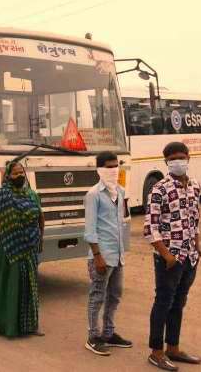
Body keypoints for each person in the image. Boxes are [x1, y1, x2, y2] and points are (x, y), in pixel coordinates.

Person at [144, 142, 201, 371]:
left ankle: (173, 348)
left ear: (188, 157)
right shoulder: (159, 189)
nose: (178, 161)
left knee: (179, 302)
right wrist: (167, 255)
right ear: (166, 162)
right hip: (169, 258)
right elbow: (150, 228)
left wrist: (197, 246)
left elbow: (194, 219)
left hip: (190, 256)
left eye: (181, 157)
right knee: (163, 303)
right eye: (172, 158)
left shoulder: (195, 185)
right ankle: (156, 352)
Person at [0, 161, 44, 338]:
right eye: (15, 173)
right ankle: (7, 326)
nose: (19, 176)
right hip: (10, 248)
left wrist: (40, 237)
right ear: (8, 177)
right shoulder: (2, 194)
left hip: (30, 247)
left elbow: (41, 216)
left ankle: (30, 326)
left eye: (21, 173)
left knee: (30, 286)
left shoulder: (32, 195)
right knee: (11, 285)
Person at [83, 151, 132, 356]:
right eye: (109, 166)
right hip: (101, 256)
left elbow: (121, 223)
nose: (114, 170)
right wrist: (98, 256)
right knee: (97, 296)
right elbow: (90, 229)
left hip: (117, 254)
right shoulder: (93, 194)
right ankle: (93, 336)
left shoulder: (120, 192)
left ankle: (108, 333)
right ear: (100, 169)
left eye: (116, 166)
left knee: (115, 295)